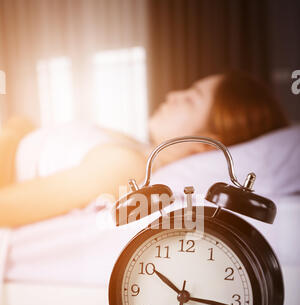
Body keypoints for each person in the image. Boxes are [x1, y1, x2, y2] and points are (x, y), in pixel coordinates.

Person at [0, 70, 288, 228]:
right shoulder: (135, 147)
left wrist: (12, 134)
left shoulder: (124, 167)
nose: (174, 94)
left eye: (191, 99)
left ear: (205, 142)